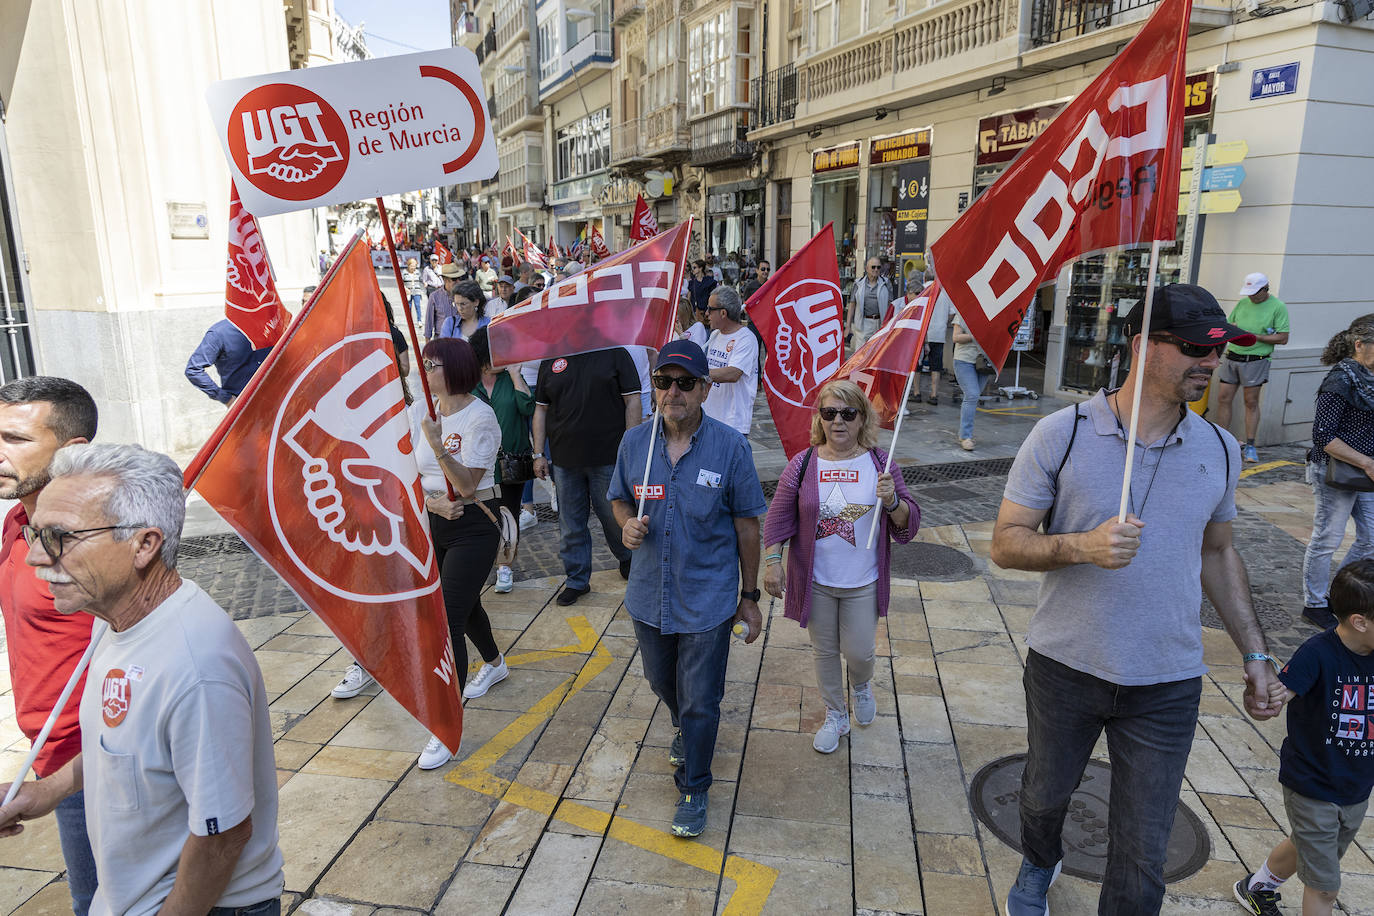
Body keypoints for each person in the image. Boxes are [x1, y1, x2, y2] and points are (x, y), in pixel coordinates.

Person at [991, 283, 1284, 916]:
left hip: (1167, 680)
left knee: (1143, 848)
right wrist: (1080, 547)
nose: (1210, 361)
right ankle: (1040, 860)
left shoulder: (1221, 448)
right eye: (1193, 347)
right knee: (1043, 798)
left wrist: (1256, 653)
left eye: (1218, 348)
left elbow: (1218, 552)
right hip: (1066, 665)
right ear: (1140, 347)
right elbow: (1006, 544)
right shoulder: (1060, 434)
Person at [0, 443, 285, 915]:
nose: (34, 557)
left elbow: (223, 835)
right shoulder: (110, 617)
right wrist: (45, 791)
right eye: (35, 533)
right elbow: (121, 745)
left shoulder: (196, 667)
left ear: (144, 544)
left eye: (60, 537)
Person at [608, 340, 766, 837]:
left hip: (708, 598)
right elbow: (618, 498)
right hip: (648, 595)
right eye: (663, 381)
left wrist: (750, 596)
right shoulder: (635, 443)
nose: (672, 392)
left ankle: (694, 786)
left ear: (703, 388)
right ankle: (685, 726)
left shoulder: (730, 447)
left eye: (684, 382)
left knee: (701, 699)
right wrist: (627, 523)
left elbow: (748, 527)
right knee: (662, 682)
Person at [761, 380, 919, 753]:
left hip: (862, 581)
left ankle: (861, 685)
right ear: (820, 418)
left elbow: (908, 525)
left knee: (860, 651)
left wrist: (894, 499)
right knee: (824, 651)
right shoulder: (802, 464)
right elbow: (779, 517)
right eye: (829, 413)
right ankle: (835, 713)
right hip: (815, 580)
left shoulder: (882, 464)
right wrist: (773, 562)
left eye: (848, 413)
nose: (838, 422)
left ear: (862, 418)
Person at [0, 378, 99, 914]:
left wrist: (66, 779)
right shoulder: (18, 520)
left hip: (96, 766)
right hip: (48, 754)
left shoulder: (92, 544)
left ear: (72, 451)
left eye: (15, 439)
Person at [1233, 560, 1374, 916]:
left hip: (1356, 786)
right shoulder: (1317, 654)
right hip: (1313, 784)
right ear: (1360, 622)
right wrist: (1264, 697)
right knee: (1325, 886)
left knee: (1307, 847)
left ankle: (1256, 886)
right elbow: (1281, 694)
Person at [414, 337, 510, 765]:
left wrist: (437, 445)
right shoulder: (420, 409)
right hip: (435, 519)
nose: (424, 370)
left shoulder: (480, 416)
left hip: (475, 522)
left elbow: (469, 484)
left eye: (431, 363)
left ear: (452, 368)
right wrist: (430, 502)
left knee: (447, 615)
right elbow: (404, 474)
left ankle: (446, 723)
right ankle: (494, 661)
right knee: (464, 603)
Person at [533, 347, 640, 606]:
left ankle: (629, 560)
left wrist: (631, 448)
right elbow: (541, 410)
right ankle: (577, 580)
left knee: (613, 517)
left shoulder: (615, 352)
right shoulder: (550, 358)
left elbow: (633, 401)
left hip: (609, 458)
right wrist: (538, 453)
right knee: (570, 524)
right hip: (565, 460)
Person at [1300, 314, 1374, 630]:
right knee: (1327, 538)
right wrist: (1367, 462)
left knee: (1371, 538)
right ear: (1359, 345)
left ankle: (1339, 592)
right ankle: (1314, 603)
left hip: (1364, 470)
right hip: (1334, 470)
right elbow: (1324, 436)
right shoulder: (1340, 380)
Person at [469, 327, 535, 594]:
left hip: (510, 462)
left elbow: (527, 407)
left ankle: (504, 568)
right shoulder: (468, 383)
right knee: (481, 516)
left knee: (508, 515)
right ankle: (480, 563)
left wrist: (516, 374)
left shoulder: (510, 378)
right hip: (477, 464)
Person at [1212, 272, 1290, 463]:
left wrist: (1254, 337)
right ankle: (1222, 441)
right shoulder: (1243, 303)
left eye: (1255, 293)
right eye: (1249, 293)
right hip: (1233, 356)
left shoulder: (1278, 307)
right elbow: (1231, 324)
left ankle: (1251, 446)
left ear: (1266, 289)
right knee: (1223, 398)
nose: (1251, 296)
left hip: (1256, 358)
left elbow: (1283, 337)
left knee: (1251, 402)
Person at [702, 287, 758, 437]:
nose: (706, 313)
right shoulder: (715, 335)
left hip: (732, 424)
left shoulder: (746, 338)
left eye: (710, 309)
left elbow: (734, 373)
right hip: (710, 418)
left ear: (723, 313)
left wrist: (698, 374)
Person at [185, 318, 270, 406]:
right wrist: (226, 398)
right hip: (245, 406)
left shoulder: (271, 324)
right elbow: (193, 369)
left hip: (278, 398)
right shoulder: (218, 333)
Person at [951, 311, 996, 451]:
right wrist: (975, 336)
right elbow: (956, 337)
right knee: (972, 395)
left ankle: (965, 434)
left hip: (984, 361)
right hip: (964, 360)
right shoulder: (962, 314)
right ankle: (965, 436)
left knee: (973, 396)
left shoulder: (993, 315)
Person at [914, 268, 947, 406]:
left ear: (924, 278)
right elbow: (951, 314)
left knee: (917, 365)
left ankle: (917, 393)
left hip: (923, 333)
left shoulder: (921, 290)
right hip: (939, 334)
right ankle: (934, 395)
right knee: (936, 366)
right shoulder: (944, 293)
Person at [847, 258, 890, 348]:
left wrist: (889, 324)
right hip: (863, 323)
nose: (876, 270)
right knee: (861, 355)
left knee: (877, 354)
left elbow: (891, 305)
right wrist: (848, 326)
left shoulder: (886, 283)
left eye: (878, 267)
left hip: (880, 323)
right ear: (867, 268)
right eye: (873, 267)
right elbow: (852, 305)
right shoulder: (858, 284)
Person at [423, 262, 462, 341]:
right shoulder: (434, 296)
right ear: (445, 280)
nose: (458, 282)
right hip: (441, 340)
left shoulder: (464, 295)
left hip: (460, 340)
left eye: (459, 278)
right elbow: (429, 323)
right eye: (454, 279)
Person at [402, 256, 425, 322]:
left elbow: (421, 280)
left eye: (414, 266)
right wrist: (405, 288)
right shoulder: (404, 272)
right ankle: (409, 320)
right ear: (408, 265)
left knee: (417, 305)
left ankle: (419, 320)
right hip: (408, 292)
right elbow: (401, 282)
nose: (413, 267)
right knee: (409, 306)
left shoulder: (417, 272)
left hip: (416, 291)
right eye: (411, 266)